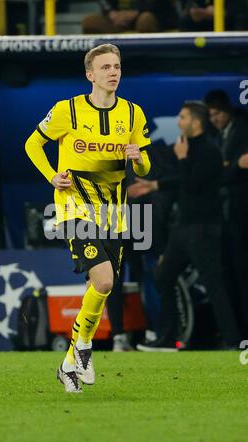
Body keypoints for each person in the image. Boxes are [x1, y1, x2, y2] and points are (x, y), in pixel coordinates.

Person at [25, 44, 151, 392]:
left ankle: (69, 364)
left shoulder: (133, 113)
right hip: (75, 208)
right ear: (90, 75)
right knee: (106, 281)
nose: (114, 72)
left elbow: (144, 166)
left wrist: (137, 158)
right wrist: (52, 175)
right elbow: (32, 144)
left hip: (116, 214)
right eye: (106, 67)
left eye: (117, 66)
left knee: (97, 289)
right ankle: (83, 347)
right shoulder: (67, 111)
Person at [129, 101, 241, 350]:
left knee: (214, 284)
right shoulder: (189, 148)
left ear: (196, 122)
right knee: (163, 276)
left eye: (182, 117)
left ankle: (233, 341)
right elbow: (182, 180)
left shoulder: (210, 151)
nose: (178, 122)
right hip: (184, 228)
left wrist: (181, 158)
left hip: (203, 228)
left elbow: (191, 183)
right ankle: (169, 339)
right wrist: (154, 185)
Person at [204, 90, 248, 337]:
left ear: (227, 110)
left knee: (242, 274)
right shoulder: (214, 134)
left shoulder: (243, 128)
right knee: (228, 274)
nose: (215, 119)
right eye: (210, 115)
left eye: (217, 113)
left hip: (240, 216)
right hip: (222, 218)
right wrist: (231, 166)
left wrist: (225, 170)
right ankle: (237, 333)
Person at [82, 0, 178, 34]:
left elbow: (159, 4)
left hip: (152, 16)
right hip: (119, 21)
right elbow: (106, 4)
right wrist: (111, 13)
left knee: (145, 20)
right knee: (90, 22)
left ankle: (148, 59)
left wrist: (135, 12)